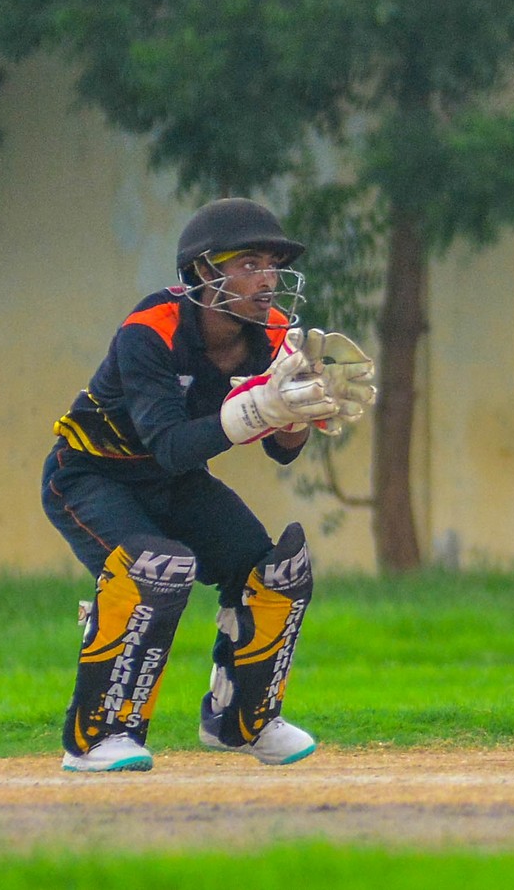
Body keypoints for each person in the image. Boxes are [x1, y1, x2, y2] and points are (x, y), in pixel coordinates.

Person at [41, 197, 376, 772]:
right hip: (90, 473)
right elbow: (170, 445)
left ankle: (241, 722)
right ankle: (98, 736)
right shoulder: (151, 330)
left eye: (272, 265)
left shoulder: (274, 332)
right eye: (249, 264)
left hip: (173, 481)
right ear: (203, 270)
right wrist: (260, 407)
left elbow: (281, 451)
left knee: (275, 572)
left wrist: (298, 414)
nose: (267, 279)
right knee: (153, 568)